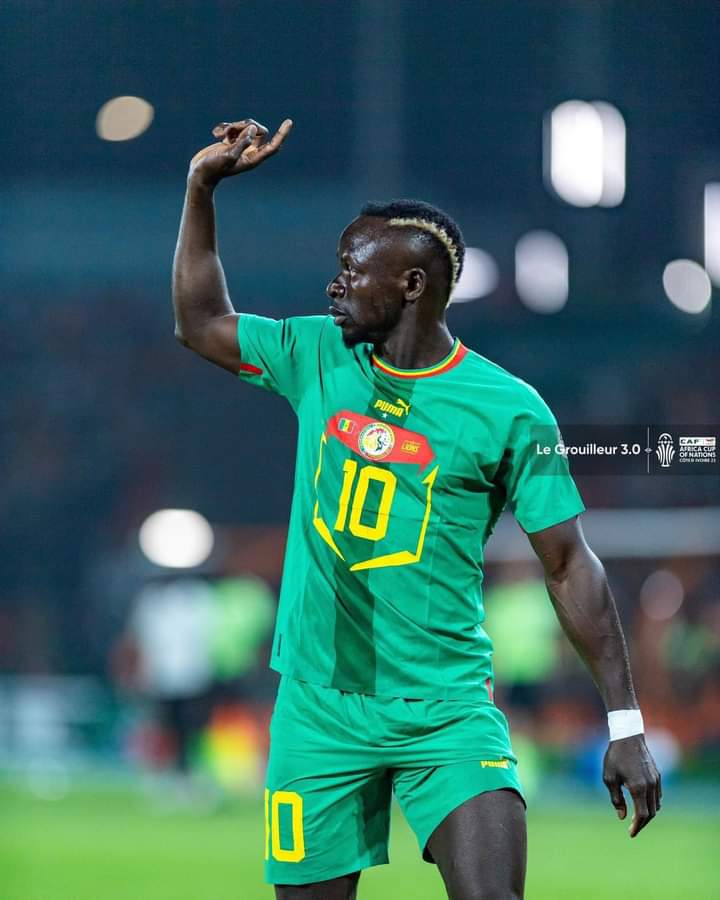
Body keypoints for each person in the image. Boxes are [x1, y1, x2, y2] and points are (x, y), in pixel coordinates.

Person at [172, 118, 661, 900]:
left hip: (446, 710)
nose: (333, 283)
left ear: (411, 286)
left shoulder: (510, 410)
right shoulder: (316, 353)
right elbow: (200, 323)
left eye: (349, 268)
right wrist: (202, 188)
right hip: (319, 709)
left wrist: (626, 724)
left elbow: (570, 564)